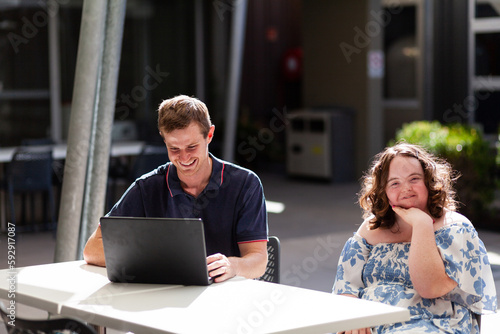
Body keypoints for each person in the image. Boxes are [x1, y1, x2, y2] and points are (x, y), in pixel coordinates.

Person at [83, 95, 269, 283]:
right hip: (164, 298)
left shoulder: (245, 184)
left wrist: (233, 266)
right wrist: (157, 262)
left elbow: (259, 261)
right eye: (174, 148)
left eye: (192, 146)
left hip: (227, 297)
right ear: (164, 141)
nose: (184, 158)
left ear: (209, 135)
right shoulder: (146, 188)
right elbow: (92, 249)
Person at [333, 142, 497, 333]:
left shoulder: (456, 228)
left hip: (431, 324)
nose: (406, 188)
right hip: (370, 324)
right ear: (384, 191)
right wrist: (354, 315)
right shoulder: (370, 229)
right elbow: (345, 286)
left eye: (414, 179)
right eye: (394, 183)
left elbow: (429, 287)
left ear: (428, 183)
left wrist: (422, 225)